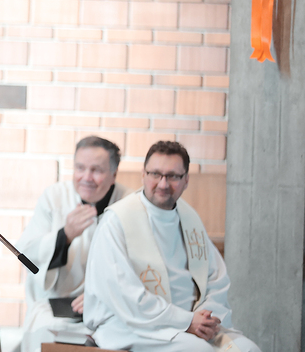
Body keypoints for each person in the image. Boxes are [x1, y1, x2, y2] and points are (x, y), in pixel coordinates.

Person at [84, 141, 261, 352]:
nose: (163, 184)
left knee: (248, 349)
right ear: (143, 175)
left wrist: (205, 317)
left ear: (186, 180)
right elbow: (124, 293)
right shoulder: (117, 221)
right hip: (129, 325)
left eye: (173, 176)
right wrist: (185, 321)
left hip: (191, 323)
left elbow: (215, 278)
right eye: (155, 174)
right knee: (199, 350)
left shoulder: (190, 219)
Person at [15, 136, 130, 352]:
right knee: (43, 332)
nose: (86, 177)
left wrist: (102, 295)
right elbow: (29, 254)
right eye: (80, 168)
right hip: (58, 305)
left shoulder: (128, 203)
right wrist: (64, 235)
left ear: (114, 174)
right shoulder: (54, 197)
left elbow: (139, 267)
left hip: (111, 306)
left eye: (96, 170)